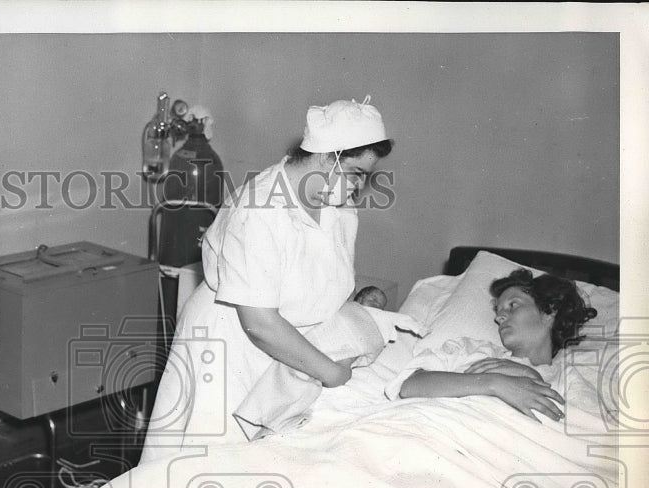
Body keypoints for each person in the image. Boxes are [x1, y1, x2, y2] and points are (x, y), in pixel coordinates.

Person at [140, 97, 393, 463]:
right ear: (326, 157)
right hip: (228, 352)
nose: (359, 186)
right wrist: (331, 373)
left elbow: (325, 285)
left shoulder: (338, 206)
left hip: (287, 356)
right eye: (356, 173)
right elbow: (259, 323)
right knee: (203, 476)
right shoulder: (259, 208)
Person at [394, 268, 598, 421]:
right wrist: (493, 383)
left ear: (549, 311)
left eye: (513, 305)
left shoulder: (568, 377)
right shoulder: (472, 349)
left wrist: (532, 377)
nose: (500, 317)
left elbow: (578, 430)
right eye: (499, 310)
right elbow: (409, 386)